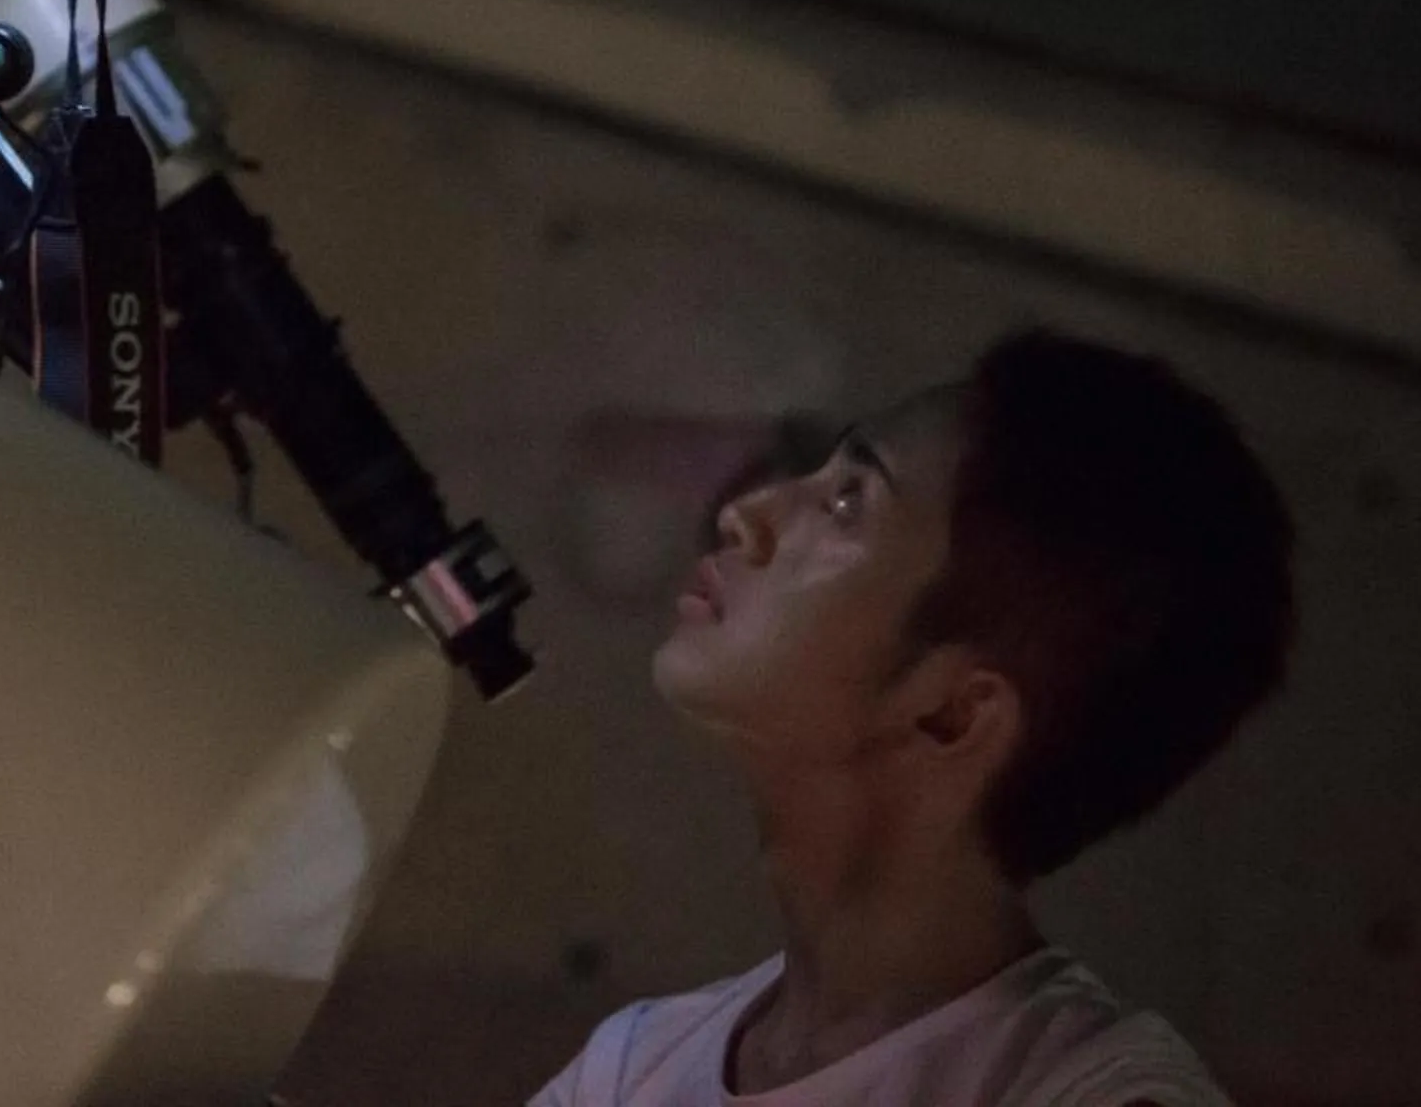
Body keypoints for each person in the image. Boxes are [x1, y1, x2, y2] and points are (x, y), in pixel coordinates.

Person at [531, 329, 1295, 1106]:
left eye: (846, 504)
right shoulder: (632, 1067)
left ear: (953, 715)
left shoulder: (1089, 1093)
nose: (744, 512)